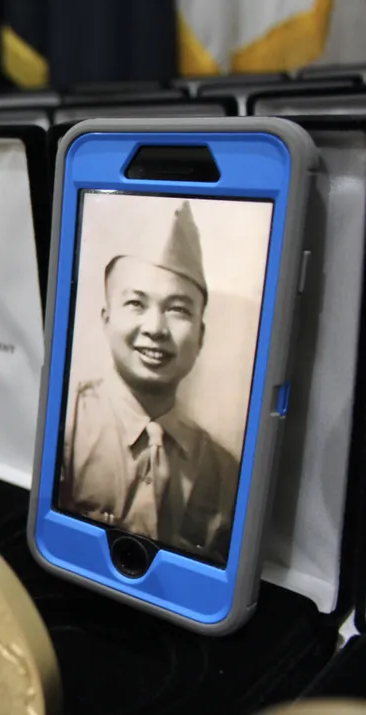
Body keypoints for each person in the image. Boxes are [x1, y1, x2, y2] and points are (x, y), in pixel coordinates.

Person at [60, 200, 239, 564]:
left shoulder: (226, 470)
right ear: (106, 319)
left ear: (201, 335)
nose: (156, 329)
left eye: (177, 309)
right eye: (136, 304)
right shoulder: (64, 426)